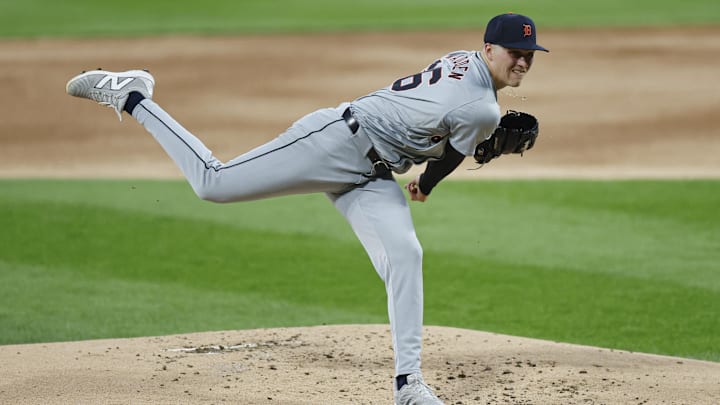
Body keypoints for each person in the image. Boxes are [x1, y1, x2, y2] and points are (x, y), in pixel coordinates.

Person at [66, 12, 548, 405]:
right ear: (489, 49)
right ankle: (132, 95)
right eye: (514, 53)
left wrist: (456, 154)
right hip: (336, 142)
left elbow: (444, 131)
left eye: (529, 55)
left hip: (371, 175)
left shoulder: (464, 62)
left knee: (406, 255)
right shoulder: (482, 109)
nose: (522, 62)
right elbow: (452, 152)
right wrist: (435, 177)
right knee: (214, 183)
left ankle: (408, 386)